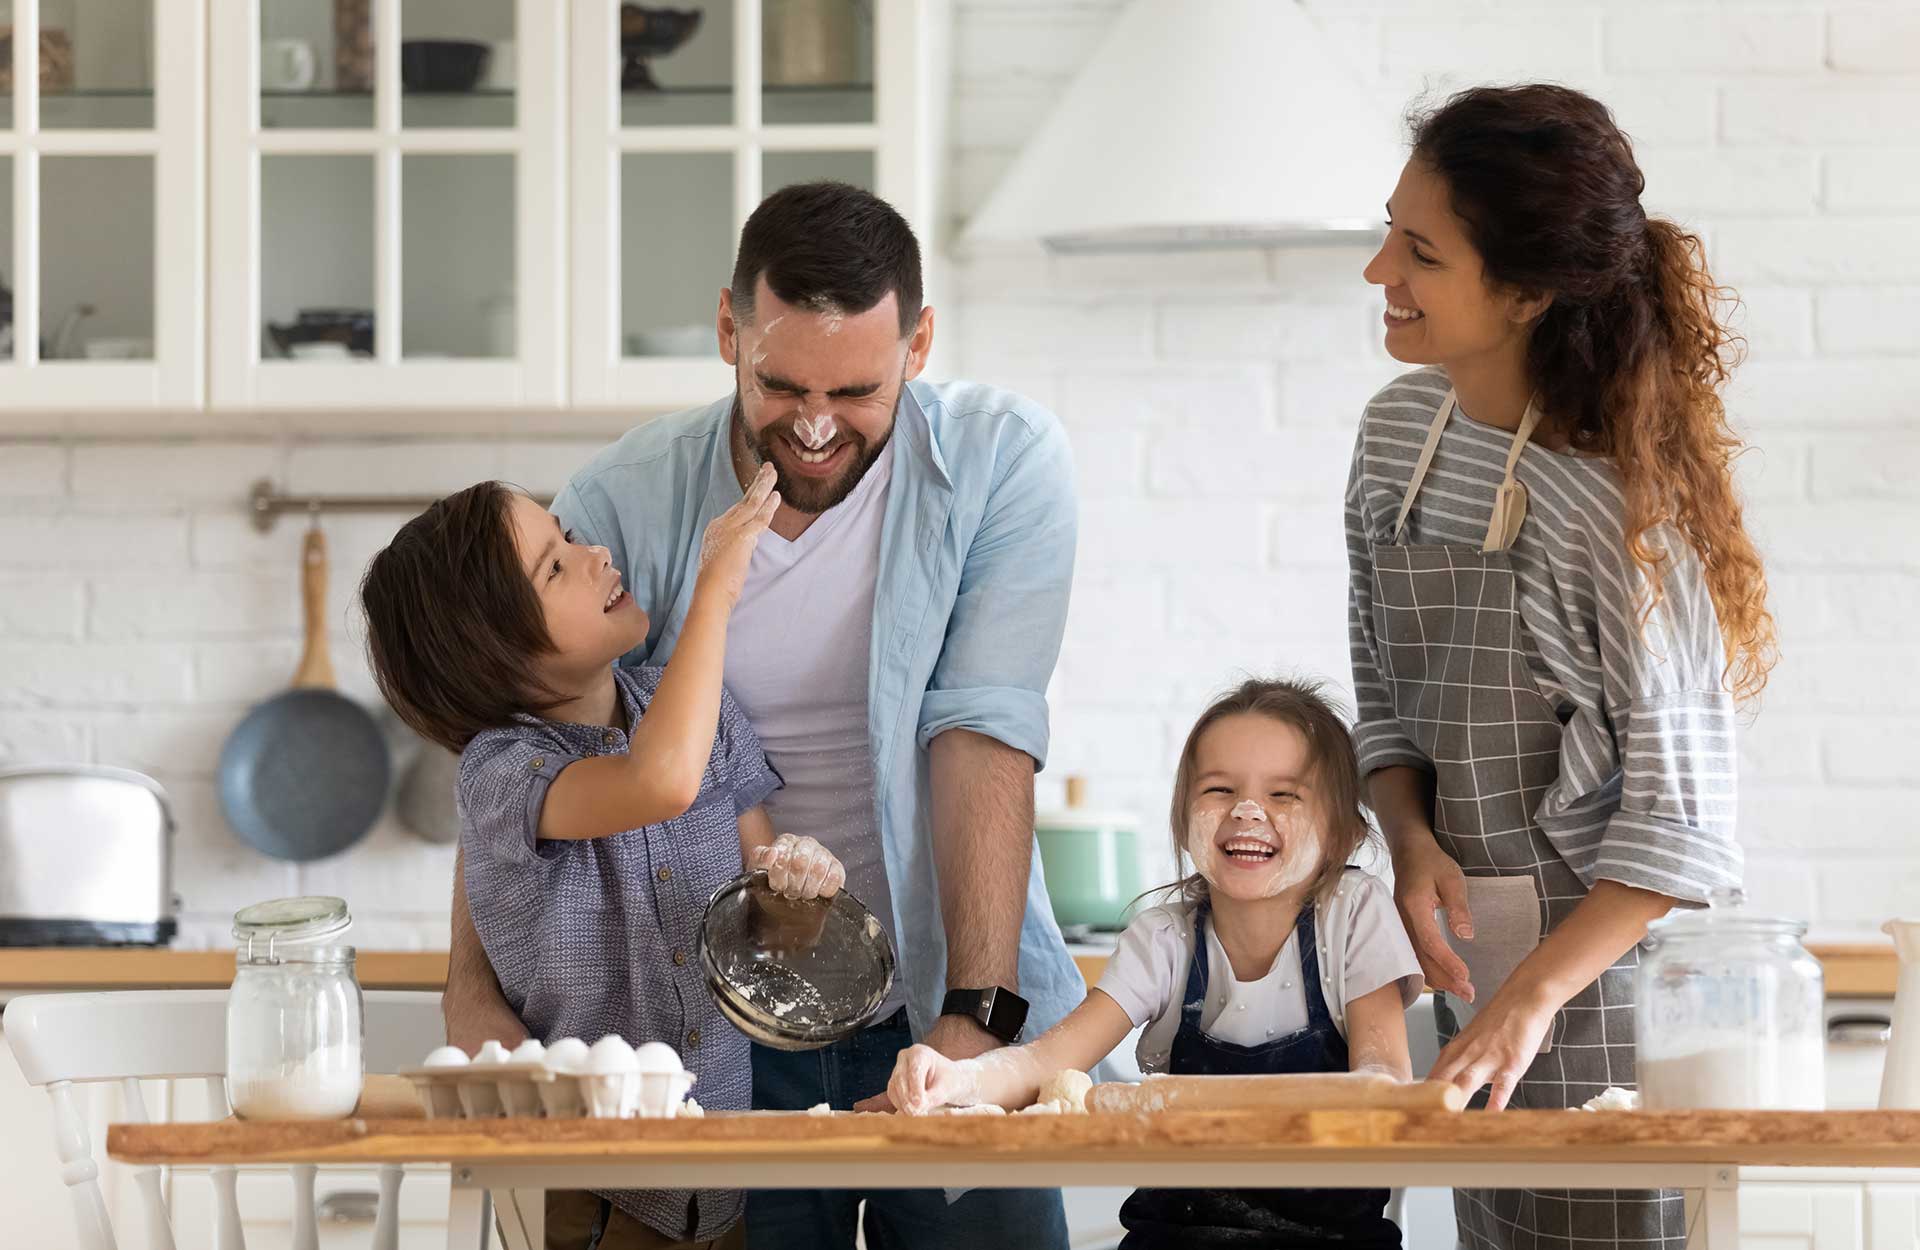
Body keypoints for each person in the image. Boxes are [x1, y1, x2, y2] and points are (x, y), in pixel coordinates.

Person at [440, 180, 1081, 1250]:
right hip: (717, 1031)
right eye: (782, 384)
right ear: (729, 329)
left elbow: (980, 735)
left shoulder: (1002, 463)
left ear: (919, 343)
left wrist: (975, 1014)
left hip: (953, 1003)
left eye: (859, 388)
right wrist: (472, 997)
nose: (818, 425)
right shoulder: (622, 505)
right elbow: (519, 758)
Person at [1347, 84, 1778, 1249]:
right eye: (1390, 227)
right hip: (1475, 977)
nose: (1380, 267)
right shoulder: (1394, 437)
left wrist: (1533, 993)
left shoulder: (1615, 510)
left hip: (1615, 1011)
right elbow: (1380, 691)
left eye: (1422, 250)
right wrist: (1411, 835)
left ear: (1527, 291)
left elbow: (1680, 821)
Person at [359, 468, 850, 1248]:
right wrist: (717, 586)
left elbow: (769, 944)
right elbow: (655, 782)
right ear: (493, 651)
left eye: (571, 539)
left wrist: (801, 891)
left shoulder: (706, 715)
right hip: (591, 1198)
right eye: (555, 567)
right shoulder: (500, 774)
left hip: (723, 1188)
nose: (595, 558)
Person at [889, 678, 1423, 1250]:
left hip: (1332, 1237)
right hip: (1177, 1233)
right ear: (1181, 814)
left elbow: (1384, 1084)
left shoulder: (1354, 916)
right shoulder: (1165, 938)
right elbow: (1049, 1062)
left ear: (1344, 832)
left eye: (1284, 795)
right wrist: (958, 1079)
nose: (1247, 811)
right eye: (1219, 789)